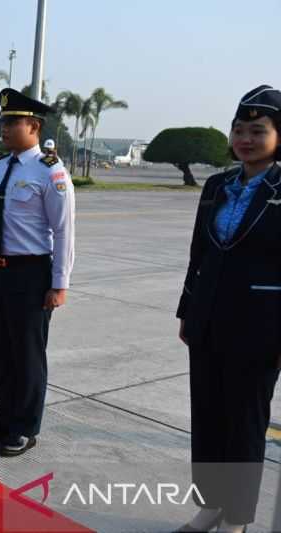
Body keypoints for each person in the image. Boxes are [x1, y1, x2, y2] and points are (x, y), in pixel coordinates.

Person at [174, 85, 281, 533]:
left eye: (258, 130)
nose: (246, 139)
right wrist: (186, 309)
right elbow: (199, 252)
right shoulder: (218, 184)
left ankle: (236, 517)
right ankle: (210, 505)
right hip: (208, 318)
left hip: (261, 326)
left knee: (245, 421)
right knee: (210, 415)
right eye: (239, 129)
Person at [0, 88, 75, 457]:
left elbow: (63, 231)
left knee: (27, 352)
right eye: (4, 122)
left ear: (34, 125)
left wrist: (59, 284)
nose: (5, 128)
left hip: (30, 273)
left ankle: (26, 425)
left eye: (13, 122)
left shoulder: (50, 172)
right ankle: (6, 414)